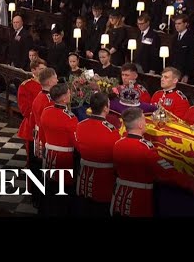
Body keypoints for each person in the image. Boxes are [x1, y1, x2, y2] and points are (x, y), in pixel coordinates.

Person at [111, 107, 194, 217]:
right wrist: (191, 183)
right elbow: (168, 172)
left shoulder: (118, 144)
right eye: (144, 120)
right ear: (140, 125)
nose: (146, 123)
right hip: (139, 200)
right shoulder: (146, 148)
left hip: (119, 197)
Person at [75, 92, 120, 217]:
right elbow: (116, 156)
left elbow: (78, 147)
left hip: (84, 174)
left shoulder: (80, 125)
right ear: (105, 108)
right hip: (104, 179)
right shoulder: (111, 131)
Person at [39, 83, 78, 216]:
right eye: (68, 93)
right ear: (63, 99)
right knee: (63, 192)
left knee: (50, 188)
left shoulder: (46, 111)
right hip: (64, 158)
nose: (69, 94)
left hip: (49, 155)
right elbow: (76, 142)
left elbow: (43, 135)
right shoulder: (69, 117)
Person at [17, 58, 47, 167]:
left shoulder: (49, 85)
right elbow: (25, 109)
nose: (44, 72)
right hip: (32, 126)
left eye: (45, 69)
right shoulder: (26, 86)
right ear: (33, 70)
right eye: (41, 69)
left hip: (46, 126)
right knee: (32, 159)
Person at [169, 14, 194, 84]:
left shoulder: (192, 38)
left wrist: (187, 74)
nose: (176, 26)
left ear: (186, 24)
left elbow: (192, 58)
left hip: (184, 73)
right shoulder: (175, 37)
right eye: (175, 23)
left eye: (179, 23)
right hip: (174, 71)